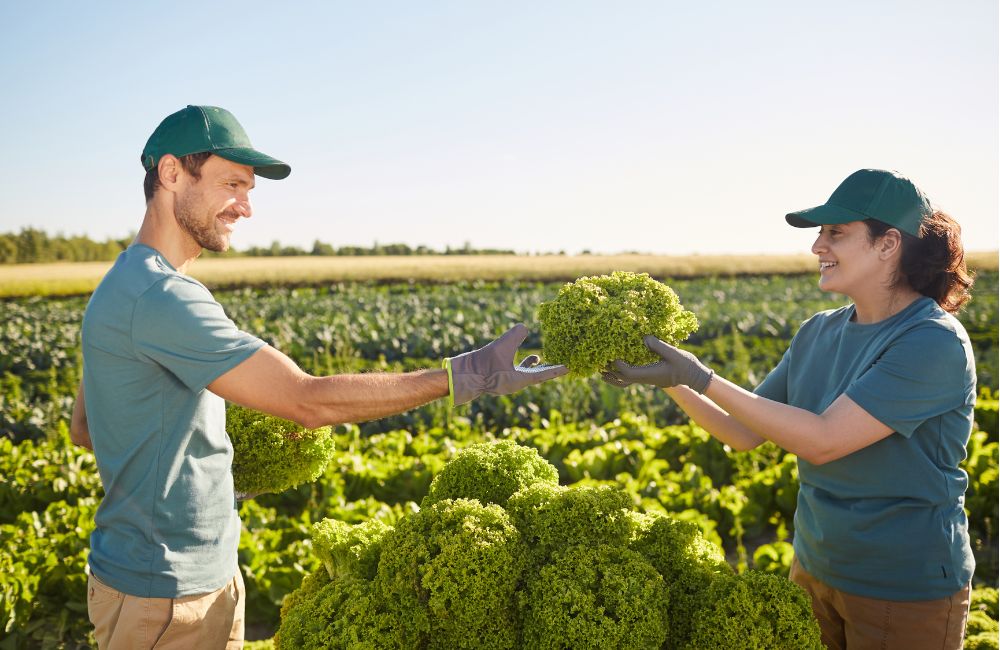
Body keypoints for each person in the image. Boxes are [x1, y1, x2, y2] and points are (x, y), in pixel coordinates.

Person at [69, 104, 566, 650]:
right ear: (170, 174)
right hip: (165, 598)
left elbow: (87, 427)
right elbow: (307, 402)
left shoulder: (121, 282)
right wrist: (465, 375)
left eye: (251, 189)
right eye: (233, 183)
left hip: (174, 580)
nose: (247, 207)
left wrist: (204, 479)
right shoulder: (163, 296)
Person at [604, 168, 976, 650]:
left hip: (903, 586)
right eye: (820, 233)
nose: (818, 247)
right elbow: (743, 433)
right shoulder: (817, 332)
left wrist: (700, 376)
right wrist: (669, 379)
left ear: (888, 245)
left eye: (835, 233)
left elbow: (822, 441)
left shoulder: (931, 341)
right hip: (815, 568)